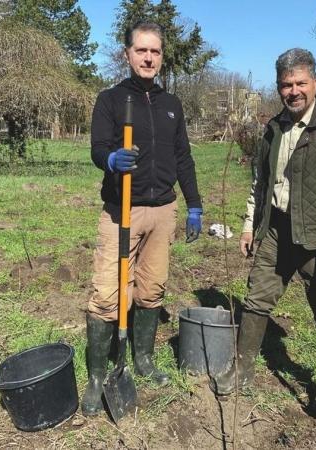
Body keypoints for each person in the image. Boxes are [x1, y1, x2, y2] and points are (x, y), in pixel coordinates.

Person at [212, 48, 316, 413]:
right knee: (257, 298)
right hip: (276, 230)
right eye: (287, 84)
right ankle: (242, 367)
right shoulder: (274, 128)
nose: (294, 91)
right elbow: (261, 183)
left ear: (315, 82)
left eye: (301, 82)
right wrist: (250, 225)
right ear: (279, 87)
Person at [82, 21, 203, 416]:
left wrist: (194, 204)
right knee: (107, 294)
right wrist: (112, 160)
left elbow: (183, 157)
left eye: (155, 52)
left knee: (151, 290)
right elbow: (98, 148)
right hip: (123, 209)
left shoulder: (172, 105)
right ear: (128, 54)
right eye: (141, 50)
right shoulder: (111, 100)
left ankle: (144, 360)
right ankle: (99, 374)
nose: (149, 58)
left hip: (163, 210)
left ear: (161, 57)